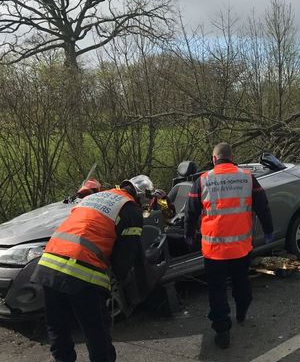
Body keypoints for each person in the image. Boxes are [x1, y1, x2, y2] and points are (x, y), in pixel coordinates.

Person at [31, 175, 154, 362]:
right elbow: (125, 258)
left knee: (58, 328)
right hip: (83, 271)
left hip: (48, 263)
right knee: (96, 332)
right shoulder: (130, 210)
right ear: (142, 197)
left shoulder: (96, 197)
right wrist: (124, 283)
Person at [184, 142, 274, 349]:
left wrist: (189, 236)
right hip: (240, 248)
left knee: (216, 290)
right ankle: (241, 311)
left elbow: (190, 213)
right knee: (241, 283)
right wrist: (268, 230)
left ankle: (222, 330)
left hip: (213, 251)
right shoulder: (247, 178)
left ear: (214, 159)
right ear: (232, 157)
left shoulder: (202, 181)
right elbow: (263, 207)